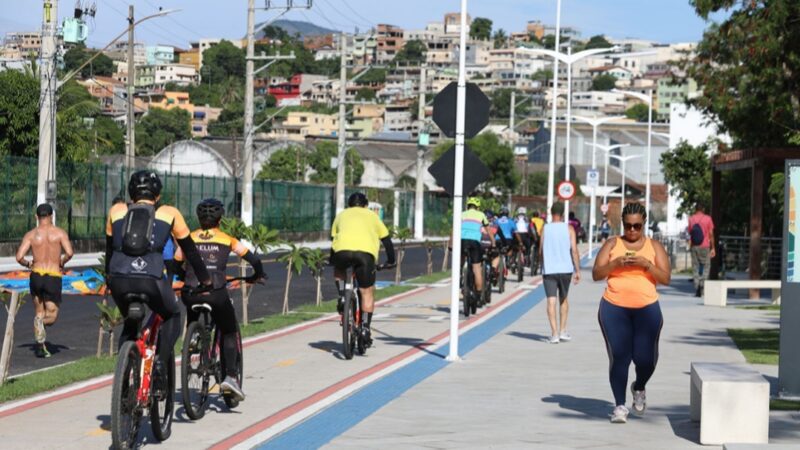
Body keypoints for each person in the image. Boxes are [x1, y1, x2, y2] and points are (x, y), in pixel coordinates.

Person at [106, 171, 212, 382]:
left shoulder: (116, 210)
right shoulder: (169, 212)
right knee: (172, 315)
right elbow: (190, 252)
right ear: (158, 195)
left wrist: (108, 279)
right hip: (151, 278)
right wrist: (206, 280)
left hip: (119, 278)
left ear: (131, 192)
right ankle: (161, 365)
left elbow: (110, 251)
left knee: (130, 322)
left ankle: (124, 377)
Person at [174, 198, 264, 401]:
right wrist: (257, 274)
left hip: (191, 294)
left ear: (198, 218)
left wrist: (182, 278)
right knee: (229, 330)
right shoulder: (227, 239)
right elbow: (254, 259)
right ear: (220, 219)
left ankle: (195, 335)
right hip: (216, 293)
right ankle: (231, 377)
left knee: (192, 306)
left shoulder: (188, 239)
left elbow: (175, 264)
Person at [592, 203, 671, 424]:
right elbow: (597, 273)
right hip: (613, 307)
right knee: (620, 357)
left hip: (647, 309)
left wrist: (646, 265)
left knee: (645, 360)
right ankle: (619, 405)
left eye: (637, 226)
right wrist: (615, 263)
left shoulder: (654, 246)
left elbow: (666, 278)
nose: (632, 231)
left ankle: (639, 386)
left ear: (644, 222)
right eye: (628, 226)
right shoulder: (612, 244)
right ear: (623, 224)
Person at [331, 192, 396, 347]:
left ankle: (342, 295)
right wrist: (391, 261)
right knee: (366, 291)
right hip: (365, 256)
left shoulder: (341, 215)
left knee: (339, 270)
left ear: (349, 205)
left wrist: (333, 259)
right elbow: (386, 240)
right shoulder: (372, 216)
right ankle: (365, 327)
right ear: (366, 205)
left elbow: (334, 239)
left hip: (342, 252)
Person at [15, 204, 74, 357]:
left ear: (36, 217)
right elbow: (69, 252)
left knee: (39, 312)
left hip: (35, 275)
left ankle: (40, 347)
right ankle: (41, 327)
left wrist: (29, 264)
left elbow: (19, 257)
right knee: (52, 315)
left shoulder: (31, 235)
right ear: (51, 215)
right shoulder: (59, 233)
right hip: (52, 276)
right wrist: (62, 262)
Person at [539, 202, 580, 344]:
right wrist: (578, 270)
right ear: (563, 214)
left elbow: (540, 250)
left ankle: (554, 334)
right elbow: (574, 250)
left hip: (549, 270)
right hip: (566, 269)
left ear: (551, 212)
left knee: (551, 300)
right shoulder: (569, 229)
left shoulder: (545, 229)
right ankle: (563, 331)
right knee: (564, 299)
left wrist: (541, 265)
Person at [687, 203, 715, 297]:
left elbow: (690, 233)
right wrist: (713, 248)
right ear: (703, 209)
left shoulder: (691, 219)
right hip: (705, 246)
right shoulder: (708, 219)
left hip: (694, 246)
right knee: (706, 266)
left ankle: (697, 287)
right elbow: (711, 234)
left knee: (695, 267)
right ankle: (703, 285)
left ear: (695, 209)